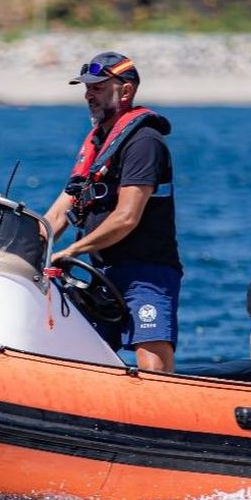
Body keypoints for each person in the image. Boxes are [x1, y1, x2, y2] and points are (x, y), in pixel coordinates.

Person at [43, 52, 181, 373]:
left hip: (146, 272)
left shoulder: (145, 142)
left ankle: (160, 401)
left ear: (126, 90)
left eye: (98, 87)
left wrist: (72, 251)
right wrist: (25, 247)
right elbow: (59, 212)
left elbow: (126, 217)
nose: (88, 95)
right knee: (80, 354)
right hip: (103, 272)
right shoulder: (98, 143)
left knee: (151, 357)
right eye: (87, 88)